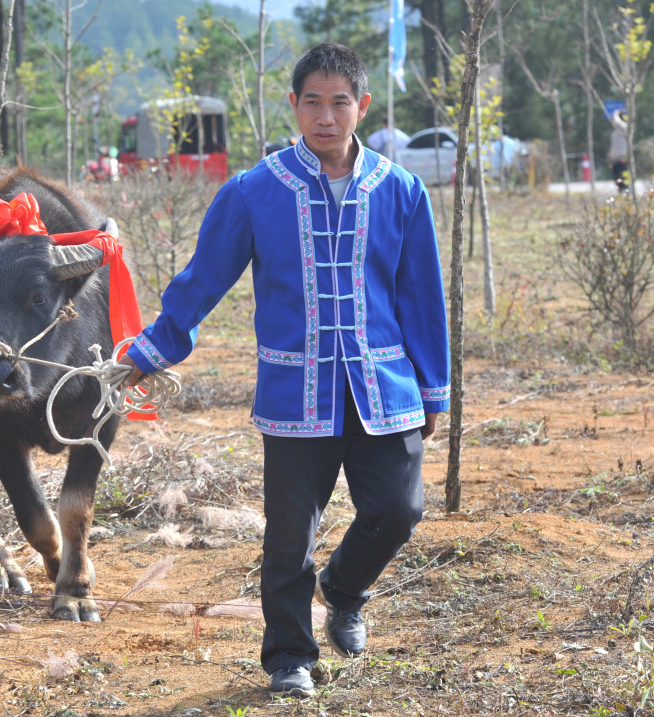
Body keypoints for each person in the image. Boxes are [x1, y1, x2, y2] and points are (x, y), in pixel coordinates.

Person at [120, 42, 450, 698]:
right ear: (294, 105)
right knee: (289, 537)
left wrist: (432, 386)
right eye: (312, 102)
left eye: (339, 102)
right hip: (296, 391)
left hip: (382, 386)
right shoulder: (254, 191)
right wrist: (149, 350)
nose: (326, 116)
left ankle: (346, 587)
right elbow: (201, 280)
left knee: (399, 507)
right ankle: (289, 657)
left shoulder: (402, 190)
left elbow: (421, 296)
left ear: (363, 106)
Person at [607, 109, 629, 193]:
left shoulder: (625, 128)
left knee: (623, 175)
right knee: (616, 176)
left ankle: (626, 191)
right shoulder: (616, 131)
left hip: (621, 157)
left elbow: (617, 122)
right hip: (614, 159)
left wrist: (616, 115)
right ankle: (621, 191)